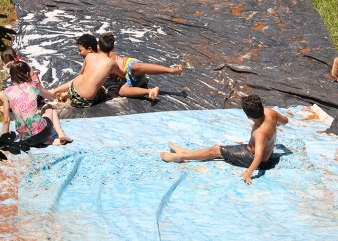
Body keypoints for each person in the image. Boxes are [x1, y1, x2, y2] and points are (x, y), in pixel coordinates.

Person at [159, 95, 288, 185]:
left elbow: (259, 155)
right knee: (218, 148)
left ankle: (181, 157)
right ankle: (186, 152)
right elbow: (285, 121)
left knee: (215, 150)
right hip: (259, 152)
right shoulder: (271, 113)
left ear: (248, 116)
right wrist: (273, 126)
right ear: (262, 106)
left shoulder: (260, 132)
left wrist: (248, 173)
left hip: (254, 158)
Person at [2, 61, 72, 146]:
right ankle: (61, 134)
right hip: (42, 134)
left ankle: (45, 141)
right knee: (48, 107)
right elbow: (51, 97)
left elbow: (6, 119)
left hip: (25, 140)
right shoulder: (34, 85)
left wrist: (2, 141)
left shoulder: (6, 92)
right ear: (27, 74)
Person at [98, 32, 183, 100]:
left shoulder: (104, 53)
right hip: (127, 80)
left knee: (135, 67)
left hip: (129, 65)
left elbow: (120, 73)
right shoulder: (97, 57)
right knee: (122, 91)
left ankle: (172, 71)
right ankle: (150, 91)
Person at [49, 34, 125, 108]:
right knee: (103, 90)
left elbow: (81, 74)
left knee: (83, 79)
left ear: (98, 46)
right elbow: (122, 75)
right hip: (83, 101)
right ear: (112, 48)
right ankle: (65, 95)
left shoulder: (89, 56)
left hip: (72, 89)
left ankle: (65, 94)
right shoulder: (112, 63)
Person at [0, 46, 40, 112]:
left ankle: (14, 107)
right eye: (7, 63)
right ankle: (15, 106)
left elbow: (36, 82)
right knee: (1, 94)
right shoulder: (12, 68)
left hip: (30, 92)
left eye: (12, 61)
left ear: (17, 56)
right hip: (19, 92)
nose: (11, 64)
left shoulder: (23, 65)